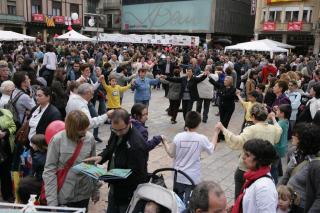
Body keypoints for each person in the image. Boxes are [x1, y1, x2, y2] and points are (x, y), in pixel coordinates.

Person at [83, 109, 148, 213]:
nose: (118, 133)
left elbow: (135, 174)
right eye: (114, 130)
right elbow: (111, 147)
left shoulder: (136, 145)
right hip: (115, 189)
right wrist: (101, 157)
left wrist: (106, 176)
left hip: (128, 194)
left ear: (129, 123)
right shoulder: (117, 130)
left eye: (121, 130)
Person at [215, 103, 282, 199]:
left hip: (246, 169)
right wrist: (274, 119)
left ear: (253, 116)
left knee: (240, 197)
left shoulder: (251, 129)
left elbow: (237, 141)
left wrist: (223, 129)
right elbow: (279, 131)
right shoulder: (273, 129)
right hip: (264, 169)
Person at [43, 110, 100, 208]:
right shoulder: (57, 140)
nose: (84, 131)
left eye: (85, 128)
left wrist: (95, 189)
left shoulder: (90, 139)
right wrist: (52, 202)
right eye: (81, 129)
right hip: (64, 194)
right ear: (72, 128)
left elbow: (92, 166)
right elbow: (49, 171)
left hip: (84, 193)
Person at [162, 111, 217, 203]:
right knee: (190, 202)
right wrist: (216, 133)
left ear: (186, 121)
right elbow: (211, 149)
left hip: (178, 174)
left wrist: (165, 142)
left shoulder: (178, 137)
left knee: (178, 202)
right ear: (198, 123)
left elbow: (171, 154)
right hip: (193, 176)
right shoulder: (201, 138)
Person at [280, 123, 320, 213]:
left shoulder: (316, 165)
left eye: (295, 135)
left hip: (301, 207)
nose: (292, 136)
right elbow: (287, 174)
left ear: (305, 140)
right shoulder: (294, 152)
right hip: (287, 203)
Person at [232, 139, 278, 213]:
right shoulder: (255, 176)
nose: (243, 157)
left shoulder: (264, 188)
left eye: (247, 155)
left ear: (259, 159)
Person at [18, 134, 47, 204]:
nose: (31, 145)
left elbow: (32, 172)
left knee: (22, 184)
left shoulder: (36, 157)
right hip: (47, 179)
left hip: (41, 180)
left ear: (38, 145)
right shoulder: (49, 153)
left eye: (33, 144)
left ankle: (25, 202)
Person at [209, 76, 236, 140]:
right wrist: (209, 77)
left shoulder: (233, 89)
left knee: (225, 122)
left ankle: (219, 136)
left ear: (230, 82)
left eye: (226, 80)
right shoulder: (222, 86)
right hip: (222, 107)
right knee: (222, 121)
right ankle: (223, 135)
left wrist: (220, 93)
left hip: (229, 108)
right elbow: (215, 83)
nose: (224, 81)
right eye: (224, 80)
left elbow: (227, 96)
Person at [271, 104, 291, 184]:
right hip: (282, 146)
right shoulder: (285, 120)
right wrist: (277, 110)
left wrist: (272, 117)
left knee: (273, 167)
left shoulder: (281, 123)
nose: (276, 112)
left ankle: (274, 181)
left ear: (282, 113)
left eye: (278, 111)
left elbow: (276, 128)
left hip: (277, 147)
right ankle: (280, 173)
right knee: (277, 160)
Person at [0, 107, 16, 202]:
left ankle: (7, 195)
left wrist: (5, 133)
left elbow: (13, 127)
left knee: (5, 173)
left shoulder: (6, 112)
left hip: (5, 148)